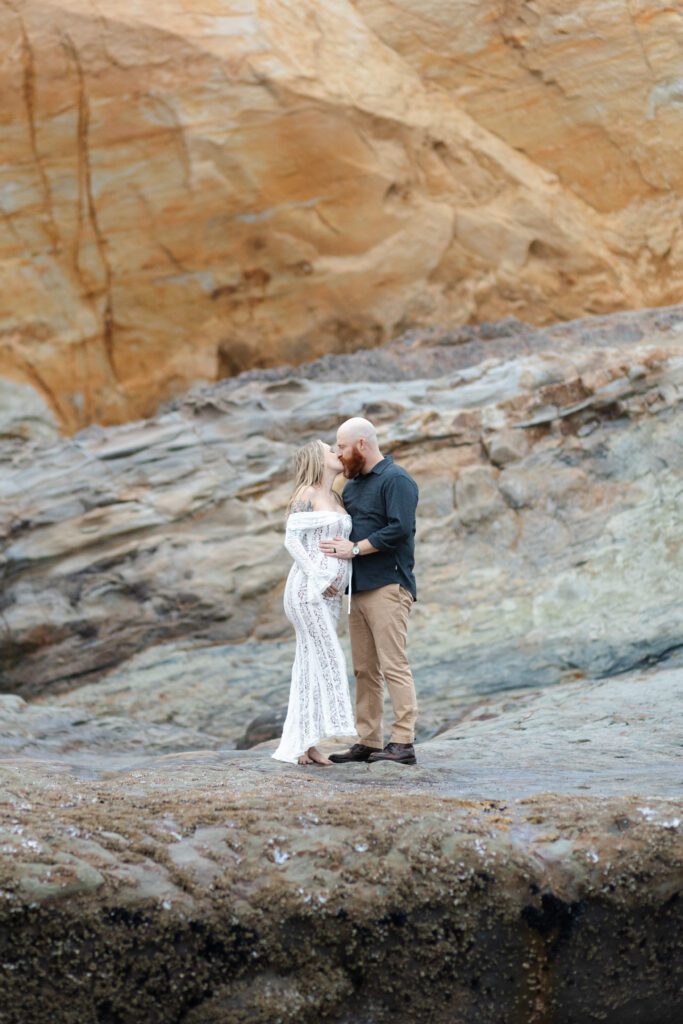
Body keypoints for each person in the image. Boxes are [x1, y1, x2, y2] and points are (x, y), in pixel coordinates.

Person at [320, 417, 419, 766]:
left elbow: (400, 529)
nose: (339, 453)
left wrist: (357, 549)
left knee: (394, 665)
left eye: (342, 446)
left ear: (362, 444)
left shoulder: (397, 480)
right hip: (357, 590)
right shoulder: (354, 486)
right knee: (364, 669)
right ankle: (368, 740)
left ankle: (403, 742)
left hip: (388, 586)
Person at [272, 439, 356, 765]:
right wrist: (320, 579)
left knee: (308, 666)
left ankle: (304, 745)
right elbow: (292, 541)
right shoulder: (306, 494)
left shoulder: (335, 496)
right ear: (317, 459)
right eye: (328, 448)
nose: (336, 451)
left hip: (330, 597)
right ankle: (331, 728)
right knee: (327, 658)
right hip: (307, 591)